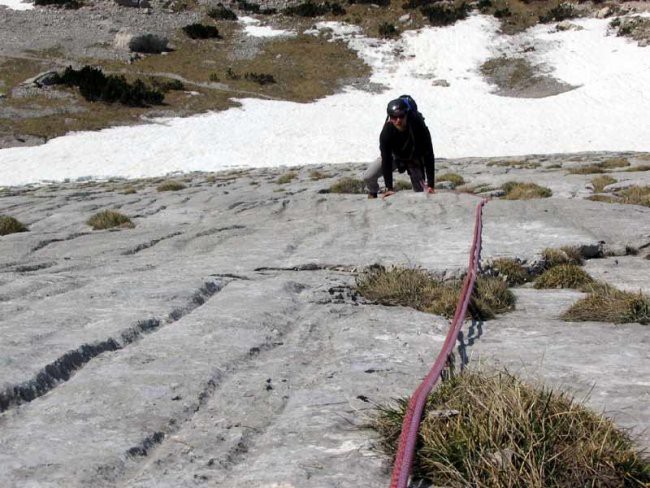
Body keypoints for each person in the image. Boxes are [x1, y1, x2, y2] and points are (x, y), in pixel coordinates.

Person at [363, 97, 436, 199]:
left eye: (401, 116)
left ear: (406, 115)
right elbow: (386, 159)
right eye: (394, 117)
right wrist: (389, 188)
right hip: (395, 157)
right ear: (390, 117)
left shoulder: (418, 126)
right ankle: (373, 192)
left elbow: (428, 155)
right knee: (368, 176)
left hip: (414, 158)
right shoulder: (386, 132)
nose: (398, 120)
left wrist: (431, 185)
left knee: (422, 193)